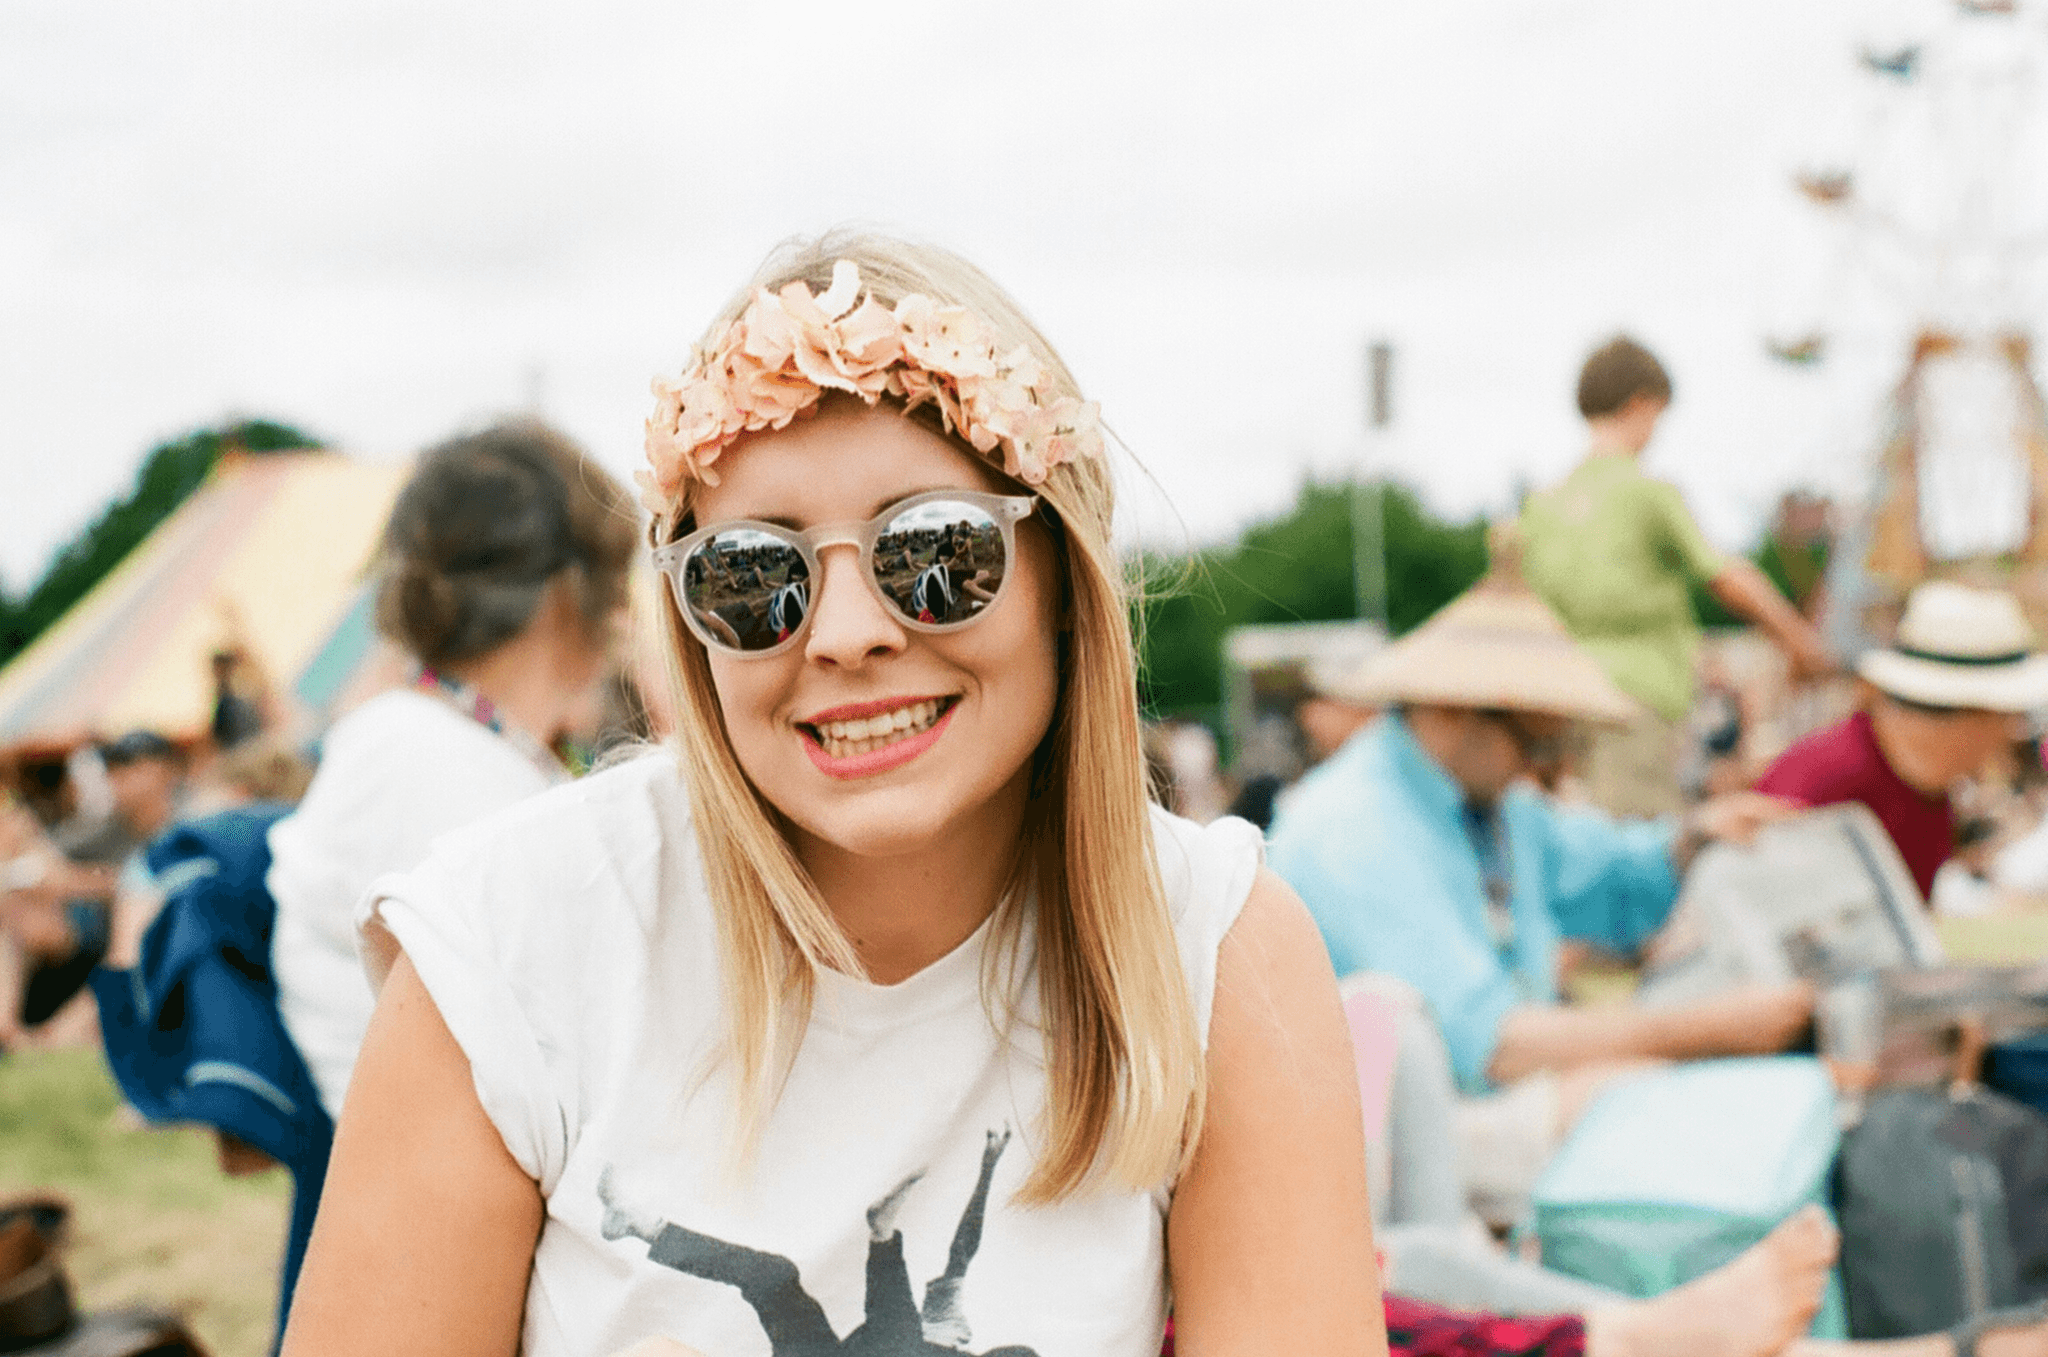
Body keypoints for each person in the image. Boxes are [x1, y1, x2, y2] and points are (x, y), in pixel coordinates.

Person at [283, 235, 1382, 1356]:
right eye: (753, 574)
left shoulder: (1217, 950)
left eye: (934, 551)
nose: (847, 633)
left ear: (1063, 572)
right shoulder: (506, 948)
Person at [1266, 551, 1815, 1219]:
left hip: (1488, 1102)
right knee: (1654, 1100)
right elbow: (1491, 1047)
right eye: (1534, 744)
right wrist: (1709, 1030)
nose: (1540, 768)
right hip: (1389, 1145)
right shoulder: (1352, 831)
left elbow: (1613, 876)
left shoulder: (1497, 806)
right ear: (1453, 711)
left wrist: (1694, 838)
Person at [267, 419, 636, 1124]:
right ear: (566, 594)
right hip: (445, 1160)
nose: (625, 614)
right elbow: (567, 1033)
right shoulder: (425, 758)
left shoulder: (440, 739)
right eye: (617, 578)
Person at [1519, 336, 1836, 818]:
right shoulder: (1648, 492)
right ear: (1641, 404)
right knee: (1638, 838)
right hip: (1635, 702)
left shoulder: (1543, 505)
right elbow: (1726, 577)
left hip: (1562, 699)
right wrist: (1801, 642)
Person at [1754, 581, 2048, 903]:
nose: (2013, 731)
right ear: (1975, 714)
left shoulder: (1926, 788)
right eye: (2009, 715)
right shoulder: (1825, 777)